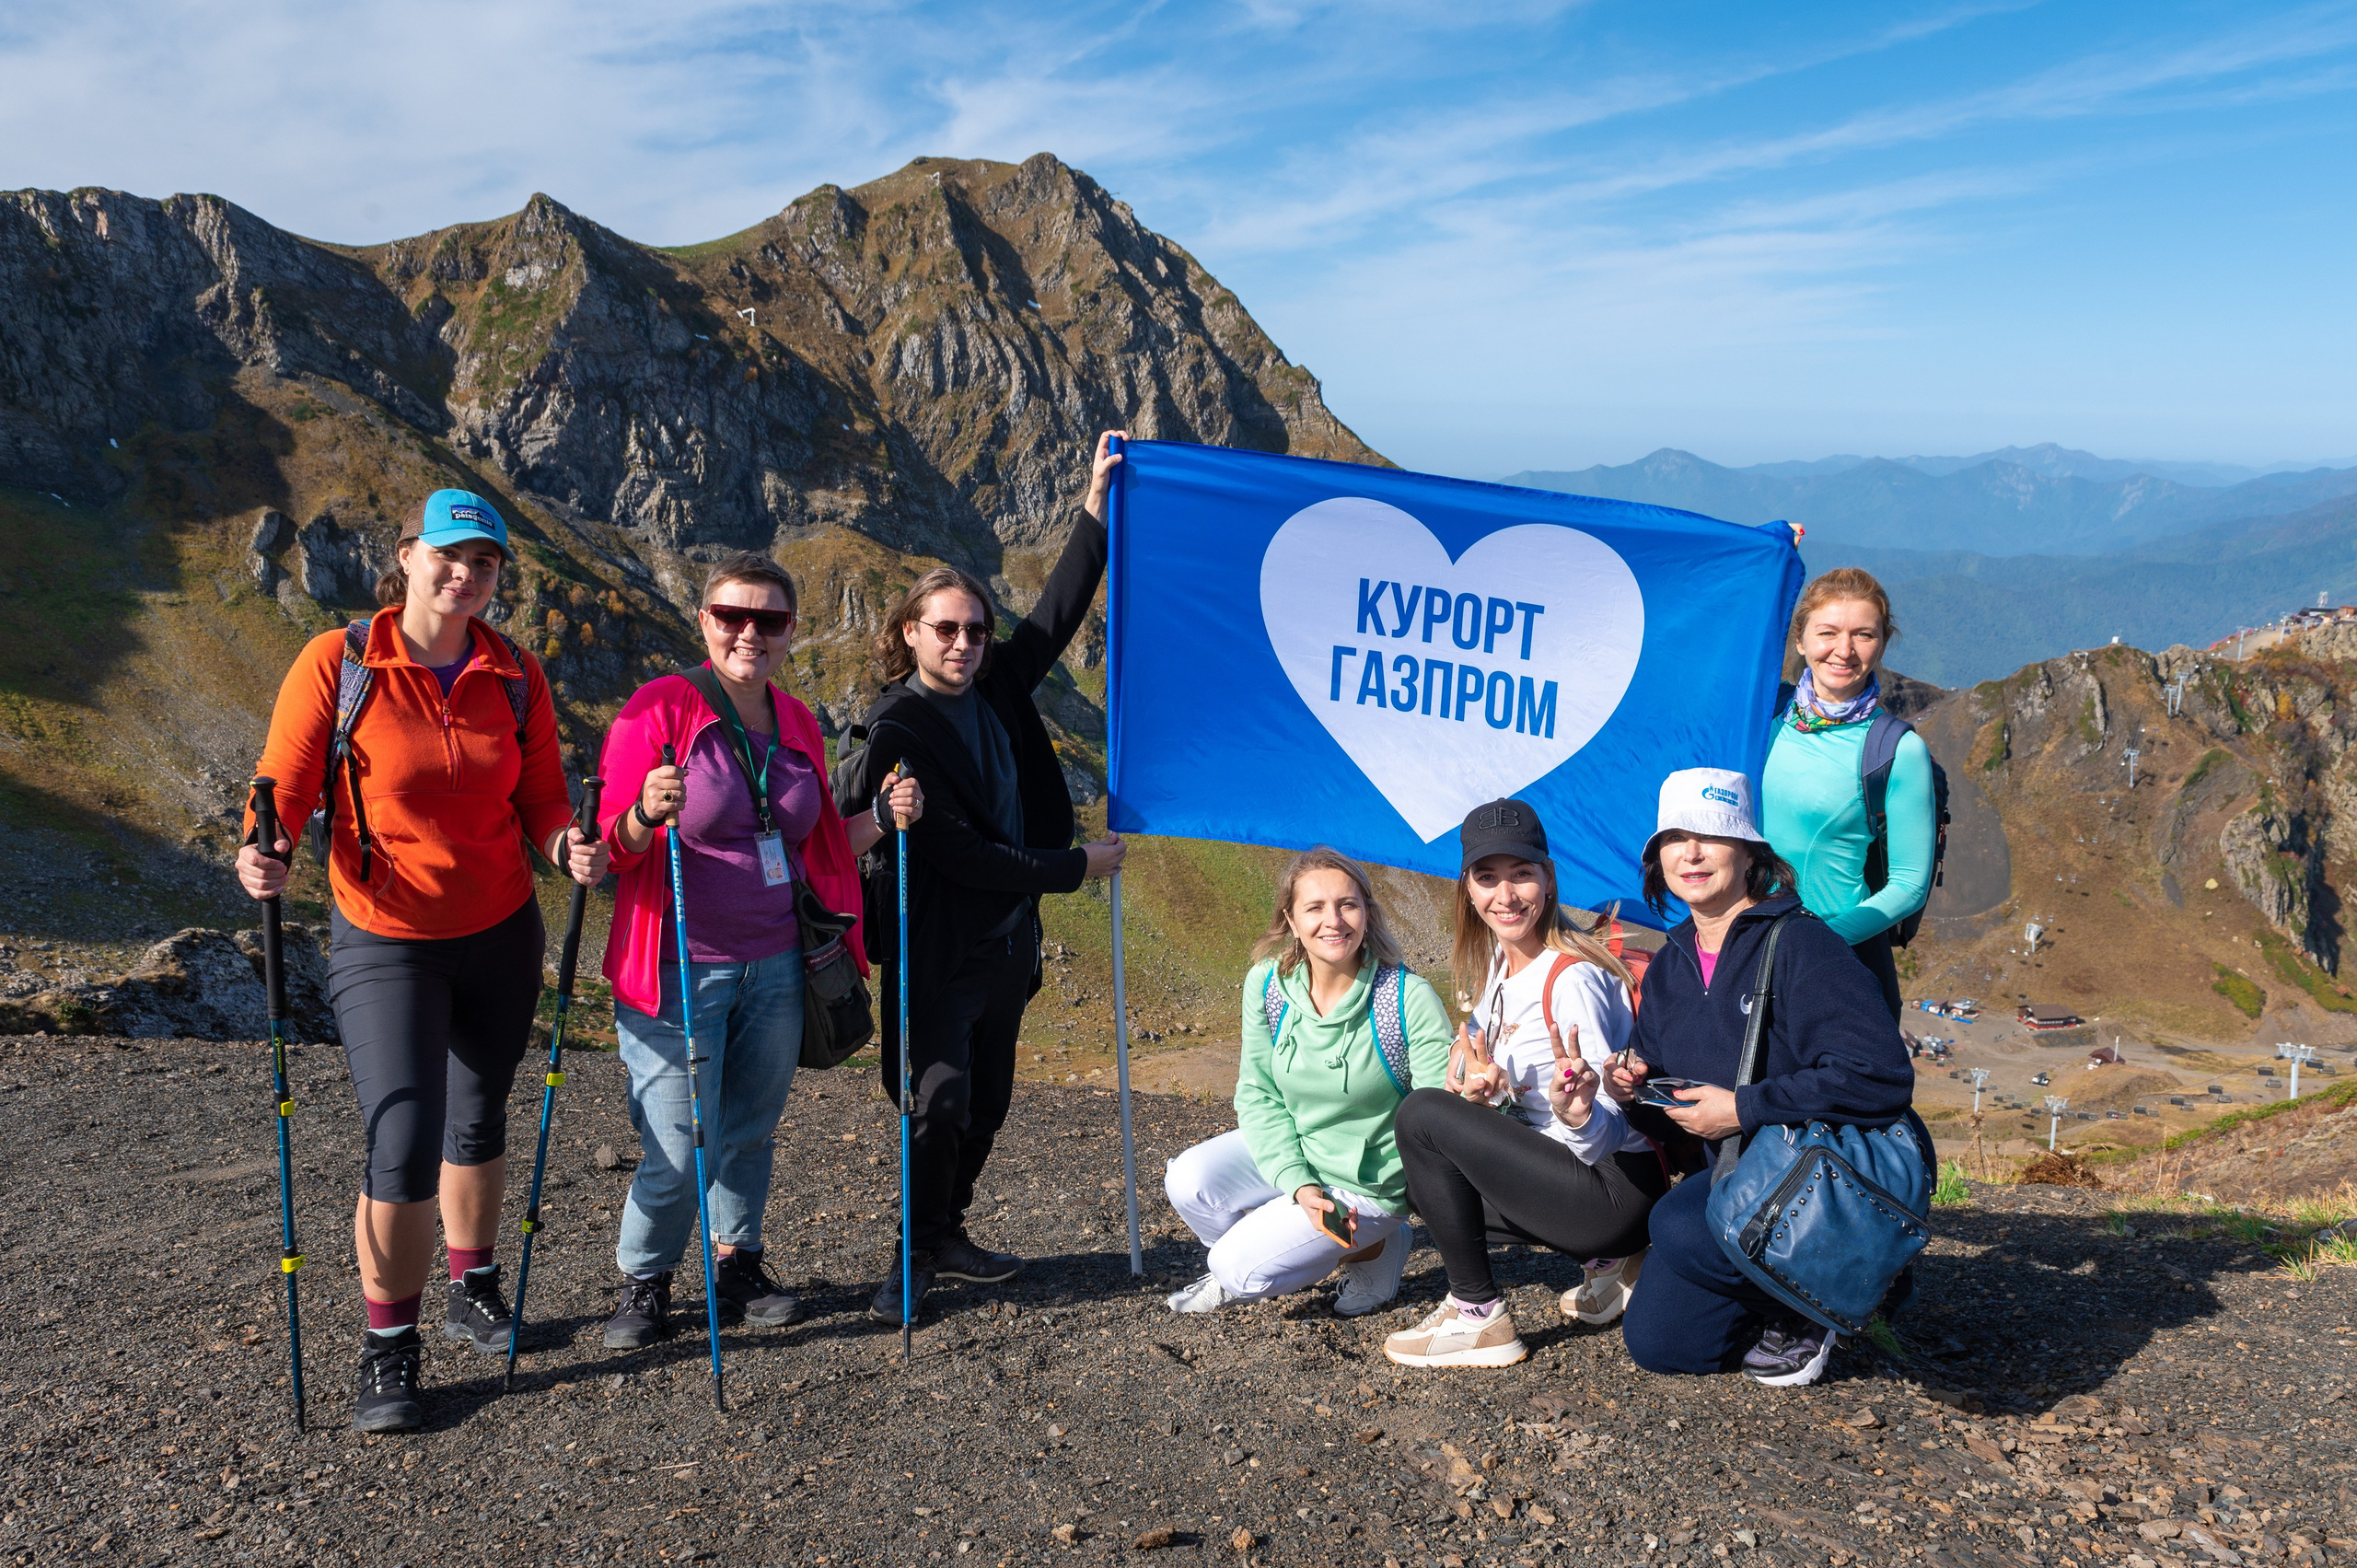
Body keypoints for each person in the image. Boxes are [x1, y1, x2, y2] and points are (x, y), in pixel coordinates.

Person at [237, 489, 608, 1434]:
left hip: (500, 928)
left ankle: (470, 1281)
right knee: (402, 1136)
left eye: (483, 563)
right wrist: (263, 845)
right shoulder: (343, 660)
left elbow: (541, 798)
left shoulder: (514, 672)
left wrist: (567, 844)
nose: (465, 574)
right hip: (386, 935)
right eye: (449, 554)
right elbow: (282, 780)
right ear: (405, 554)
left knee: (478, 1116)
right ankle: (386, 1344)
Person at [593, 552, 922, 1348]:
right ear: (703, 621)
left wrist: (880, 816)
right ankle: (646, 1276)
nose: (749, 632)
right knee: (677, 1135)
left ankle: (737, 1259)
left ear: (790, 631)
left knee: (748, 1123)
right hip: (678, 963)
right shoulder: (659, 709)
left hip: (779, 962)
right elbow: (610, 848)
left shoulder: (798, 720)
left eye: (768, 619)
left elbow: (818, 847)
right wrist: (642, 811)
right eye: (732, 616)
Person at [836, 432, 1130, 1322]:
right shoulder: (897, 728)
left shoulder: (998, 684)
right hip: (936, 946)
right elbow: (960, 854)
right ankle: (910, 1253)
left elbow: (1057, 614)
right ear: (910, 635)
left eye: (974, 629)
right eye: (945, 629)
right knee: (940, 1096)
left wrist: (1093, 508)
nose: (965, 642)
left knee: (990, 1097)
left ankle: (947, 1230)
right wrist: (1077, 866)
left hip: (1007, 945)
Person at [1605, 768, 1914, 1386]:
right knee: (1662, 1343)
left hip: (1816, 1171)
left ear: (1749, 854)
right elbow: (1669, 1106)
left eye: (1711, 835)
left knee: (1673, 1223)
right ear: (1657, 858)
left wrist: (1746, 1107)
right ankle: (1793, 1286)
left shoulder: (1802, 944)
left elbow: (1881, 1076)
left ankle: (1842, 1277)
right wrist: (1627, 1088)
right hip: (1734, 1179)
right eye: (1674, 838)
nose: (1690, 853)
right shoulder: (1670, 965)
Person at [1381, 799, 1663, 1369]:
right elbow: (1530, 1104)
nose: (1505, 897)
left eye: (1521, 875)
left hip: (1613, 1186)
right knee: (1423, 1181)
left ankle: (1477, 1316)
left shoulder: (1573, 978)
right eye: (1487, 878)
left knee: (1420, 1117)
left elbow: (1608, 1122)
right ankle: (1613, 1268)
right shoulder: (1500, 972)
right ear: (1467, 889)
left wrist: (1580, 1111)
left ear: (1549, 878)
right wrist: (1493, 1096)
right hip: (1588, 1185)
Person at [1163, 848, 1452, 1317]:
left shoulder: (1407, 998)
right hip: (1302, 1151)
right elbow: (1258, 1093)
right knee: (1188, 1181)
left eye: (1347, 904)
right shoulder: (1267, 985)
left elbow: (1442, 1114)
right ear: (1291, 921)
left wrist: (1483, 1096)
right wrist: (1298, 1186)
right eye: (1314, 908)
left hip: (1367, 1186)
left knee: (1237, 1270)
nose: (1333, 921)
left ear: (1367, 914)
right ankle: (1277, 1250)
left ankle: (1372, 1245)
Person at [1762, 568, 1935, 1019]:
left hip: (1837, 964)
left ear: (1881, 643)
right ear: (1799, 640)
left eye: (1863, 635)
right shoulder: (1760, 713)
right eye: (1827, 632)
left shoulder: (1897, 750)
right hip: (1739, 948)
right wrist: (1772, 561)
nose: (1844, 650)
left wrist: (1816, 940)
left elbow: (1909, 885)